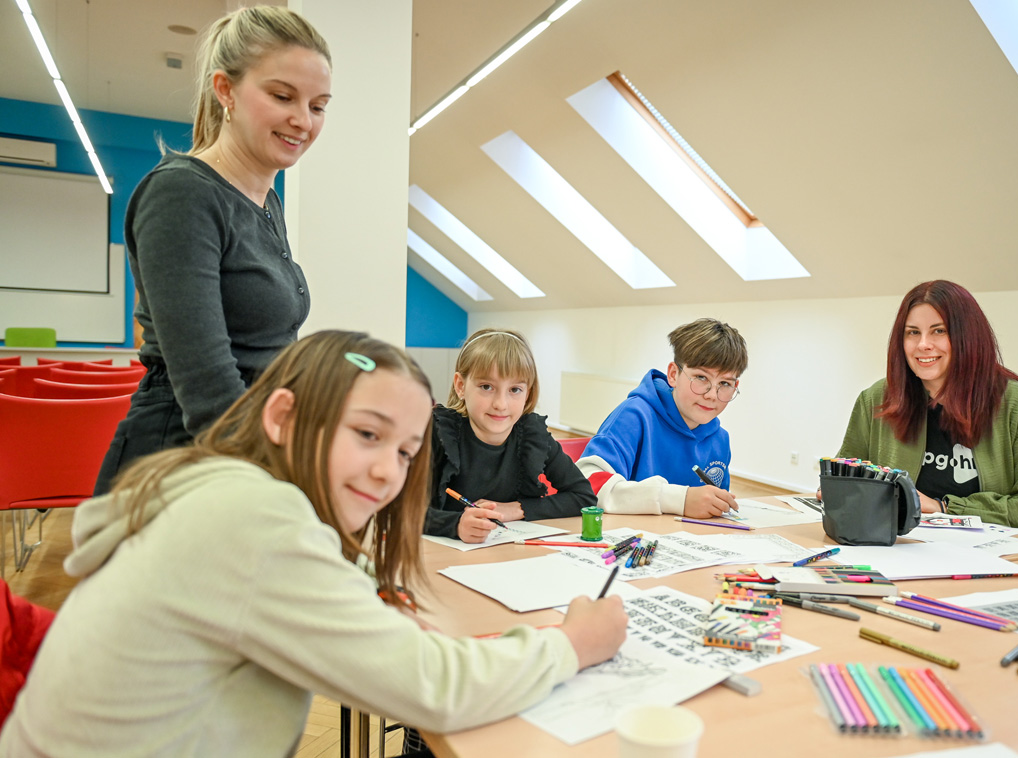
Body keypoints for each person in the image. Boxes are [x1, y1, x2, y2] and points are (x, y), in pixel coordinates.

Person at [0, 331, 627, 757]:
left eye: (405, 452)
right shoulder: (255, 521)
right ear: (281, 418)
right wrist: (572, 643)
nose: (386, 471)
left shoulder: (227, 489)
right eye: (367, 434)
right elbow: (434, 687)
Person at [94, 6, 332, 494]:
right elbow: (207, 384)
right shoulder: (182, 193)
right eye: (282, 96)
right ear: (226, 90)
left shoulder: (267, 201)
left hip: (248, 447)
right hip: (184, 459)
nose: (303, 120)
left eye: (318, 105)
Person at [837, 280, 1018, 537]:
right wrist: (837, 488)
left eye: (939, 331)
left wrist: (944, 508)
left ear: (968, 337)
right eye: (913, 332)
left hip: (997, 551)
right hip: (905, 546)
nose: (923, 344)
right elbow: (849, 474)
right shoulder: (877, 398)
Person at [426, 329, 599, 543]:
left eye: (515, 390)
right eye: (486, 387)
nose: (501, 404)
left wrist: (516, 509)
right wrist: (455, 525)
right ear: (461, 386)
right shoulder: (438, 434)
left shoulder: (532, 435)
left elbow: (583, 497)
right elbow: (400, 509)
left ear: (528, 393)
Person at [577, 318, 748, 517]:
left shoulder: (720, 439)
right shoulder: (634, 416)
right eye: (701, 378)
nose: (712, 395)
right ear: (673, 375)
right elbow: (586, 485)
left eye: (725, 384)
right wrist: (678, 499)